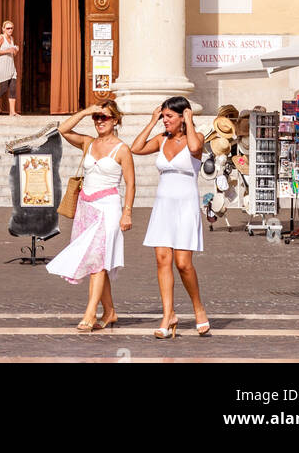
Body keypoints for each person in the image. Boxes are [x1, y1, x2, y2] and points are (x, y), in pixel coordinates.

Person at [46, 99, 135, 332]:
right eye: (97, 118)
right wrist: (86, 112)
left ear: (115, 120)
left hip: (108, 208)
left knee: (98, 261)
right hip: (86, 208)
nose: (99, 121)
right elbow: (63, 129)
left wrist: (127, 213)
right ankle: (110, 311)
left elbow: (131, 183)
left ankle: (90, 314)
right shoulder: (88, 143)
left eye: (104, 117)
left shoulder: (122, 149)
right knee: (98, 261)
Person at [131, 96, 209, 339]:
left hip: (185, 206)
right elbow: (135, 148)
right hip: (163, 207)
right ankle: (168, 315)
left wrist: (189, 120)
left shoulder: (196, 138)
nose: (165, 120)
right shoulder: (160, 139)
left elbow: (195, 149)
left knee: (183, 264)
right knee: (162, 260)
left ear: (182, 116)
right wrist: (152, 120)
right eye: (163, 116)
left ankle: (198, 309)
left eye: (169, 116)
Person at [0, 20, 19, 116]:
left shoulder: (12, 38)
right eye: (8, 28)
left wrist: (15, 50)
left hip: (11, 66)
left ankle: (12, 112)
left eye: (11, 28)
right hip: (3, 66)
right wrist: (8, 50)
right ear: (3, 29)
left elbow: (13, 53)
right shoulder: (1, 38)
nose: (10, 30)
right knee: (3, 89)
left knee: (13, 88)